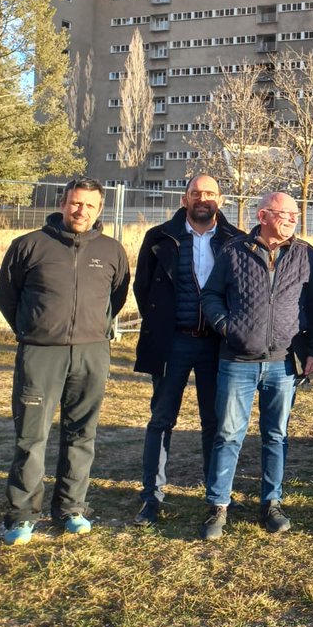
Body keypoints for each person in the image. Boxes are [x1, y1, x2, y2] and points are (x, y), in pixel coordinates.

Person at [0, 177, 130, 545]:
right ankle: (22, 514)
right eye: (74, 203)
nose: (80, 210)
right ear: (63, 203)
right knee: (31, 436)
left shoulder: (112, 250)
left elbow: (115, 298)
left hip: (91, 353)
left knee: (82, 433)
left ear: (99, 209)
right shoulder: (28, 246)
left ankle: (72, 508)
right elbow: (8, 297)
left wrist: (92, 329)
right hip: (40, 353)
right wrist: (35, 328)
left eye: (89, 205)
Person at [198, 191, 313, 540]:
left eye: (295, 215)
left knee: (276, 435)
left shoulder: (305, 255)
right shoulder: (234, 251)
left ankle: (272, 502)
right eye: (285, 214)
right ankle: (219, 504)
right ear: (263, 215)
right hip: (236, 360)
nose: (292, 220)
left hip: (284, 361)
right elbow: (210, 295)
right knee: (228, 434)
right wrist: (227, 327)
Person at [132, 174, 242, 526]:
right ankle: (152, 496)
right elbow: (142, 288)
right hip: (172, 342)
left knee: (215, 421)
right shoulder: (159, 238)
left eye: (209, 193)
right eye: (195, 193)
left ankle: (217, 495)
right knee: (162, 420)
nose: (202, 199)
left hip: (216, 344)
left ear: (220, 200)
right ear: (184, 199)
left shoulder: (234, 240)